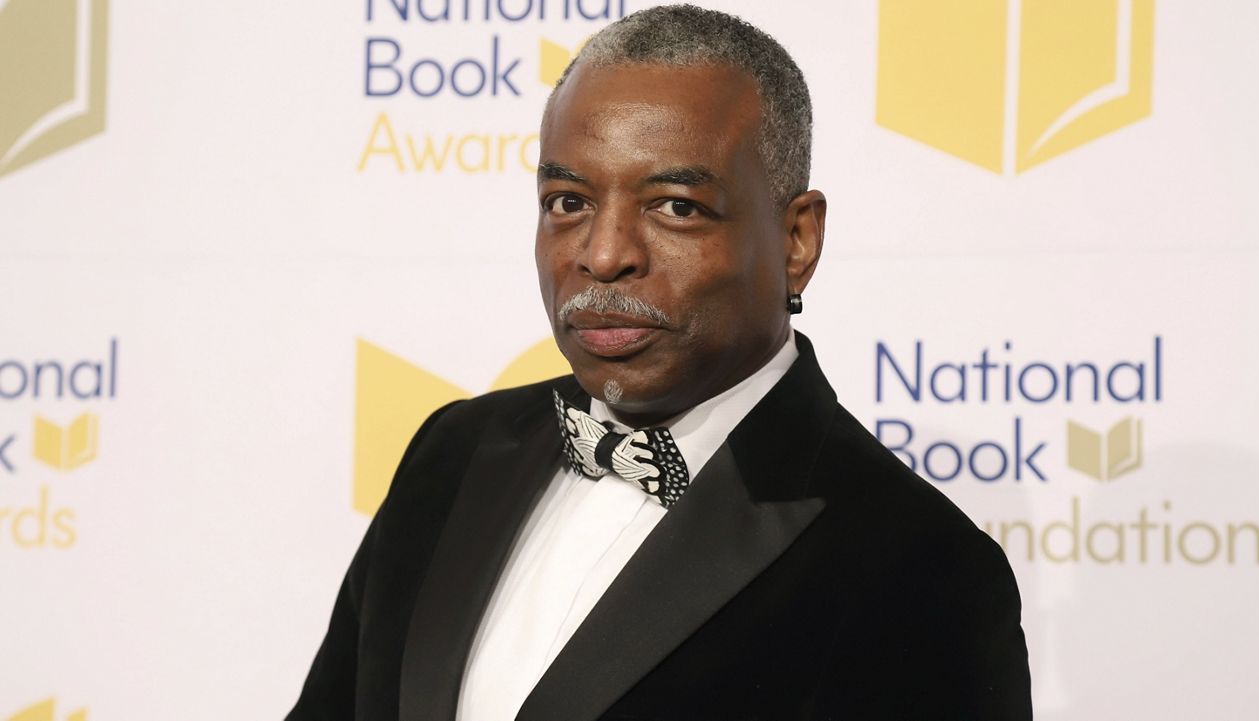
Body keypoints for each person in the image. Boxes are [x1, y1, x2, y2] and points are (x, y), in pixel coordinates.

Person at [287, 5, 1031, 720]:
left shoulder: (918, 570)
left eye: (675, 206)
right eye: (568, 201)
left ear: (797, 241)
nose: (603, 254)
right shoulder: (451, 454)